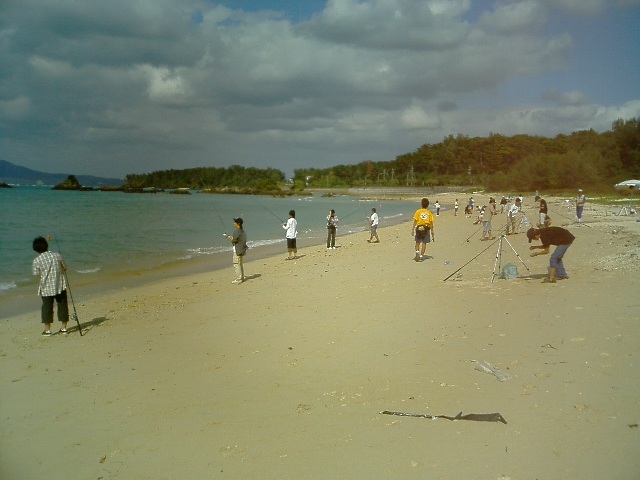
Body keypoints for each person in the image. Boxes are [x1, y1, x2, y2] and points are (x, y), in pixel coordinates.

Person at [32, 236, 69, 336]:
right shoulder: (58, 255)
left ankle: (47, 330)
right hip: (60, 286)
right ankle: (63, 328)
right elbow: (65, 268)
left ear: (35, 249)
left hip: (46, 288)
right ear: (46, 245)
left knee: (47, 308)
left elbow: (37, 274)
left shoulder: (36, 261)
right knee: (63, 306)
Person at [227, 217, 247, 284]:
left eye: (235, 222)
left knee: (236, 264)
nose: (234, 223)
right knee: (240, 264)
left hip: (237, 251)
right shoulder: (242, 231)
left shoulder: (236, 231)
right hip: (242, 250)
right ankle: (242, 277)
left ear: (238, 223)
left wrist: (230, 238)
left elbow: (234, 241)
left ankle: (239, 279)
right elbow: (239, 240)